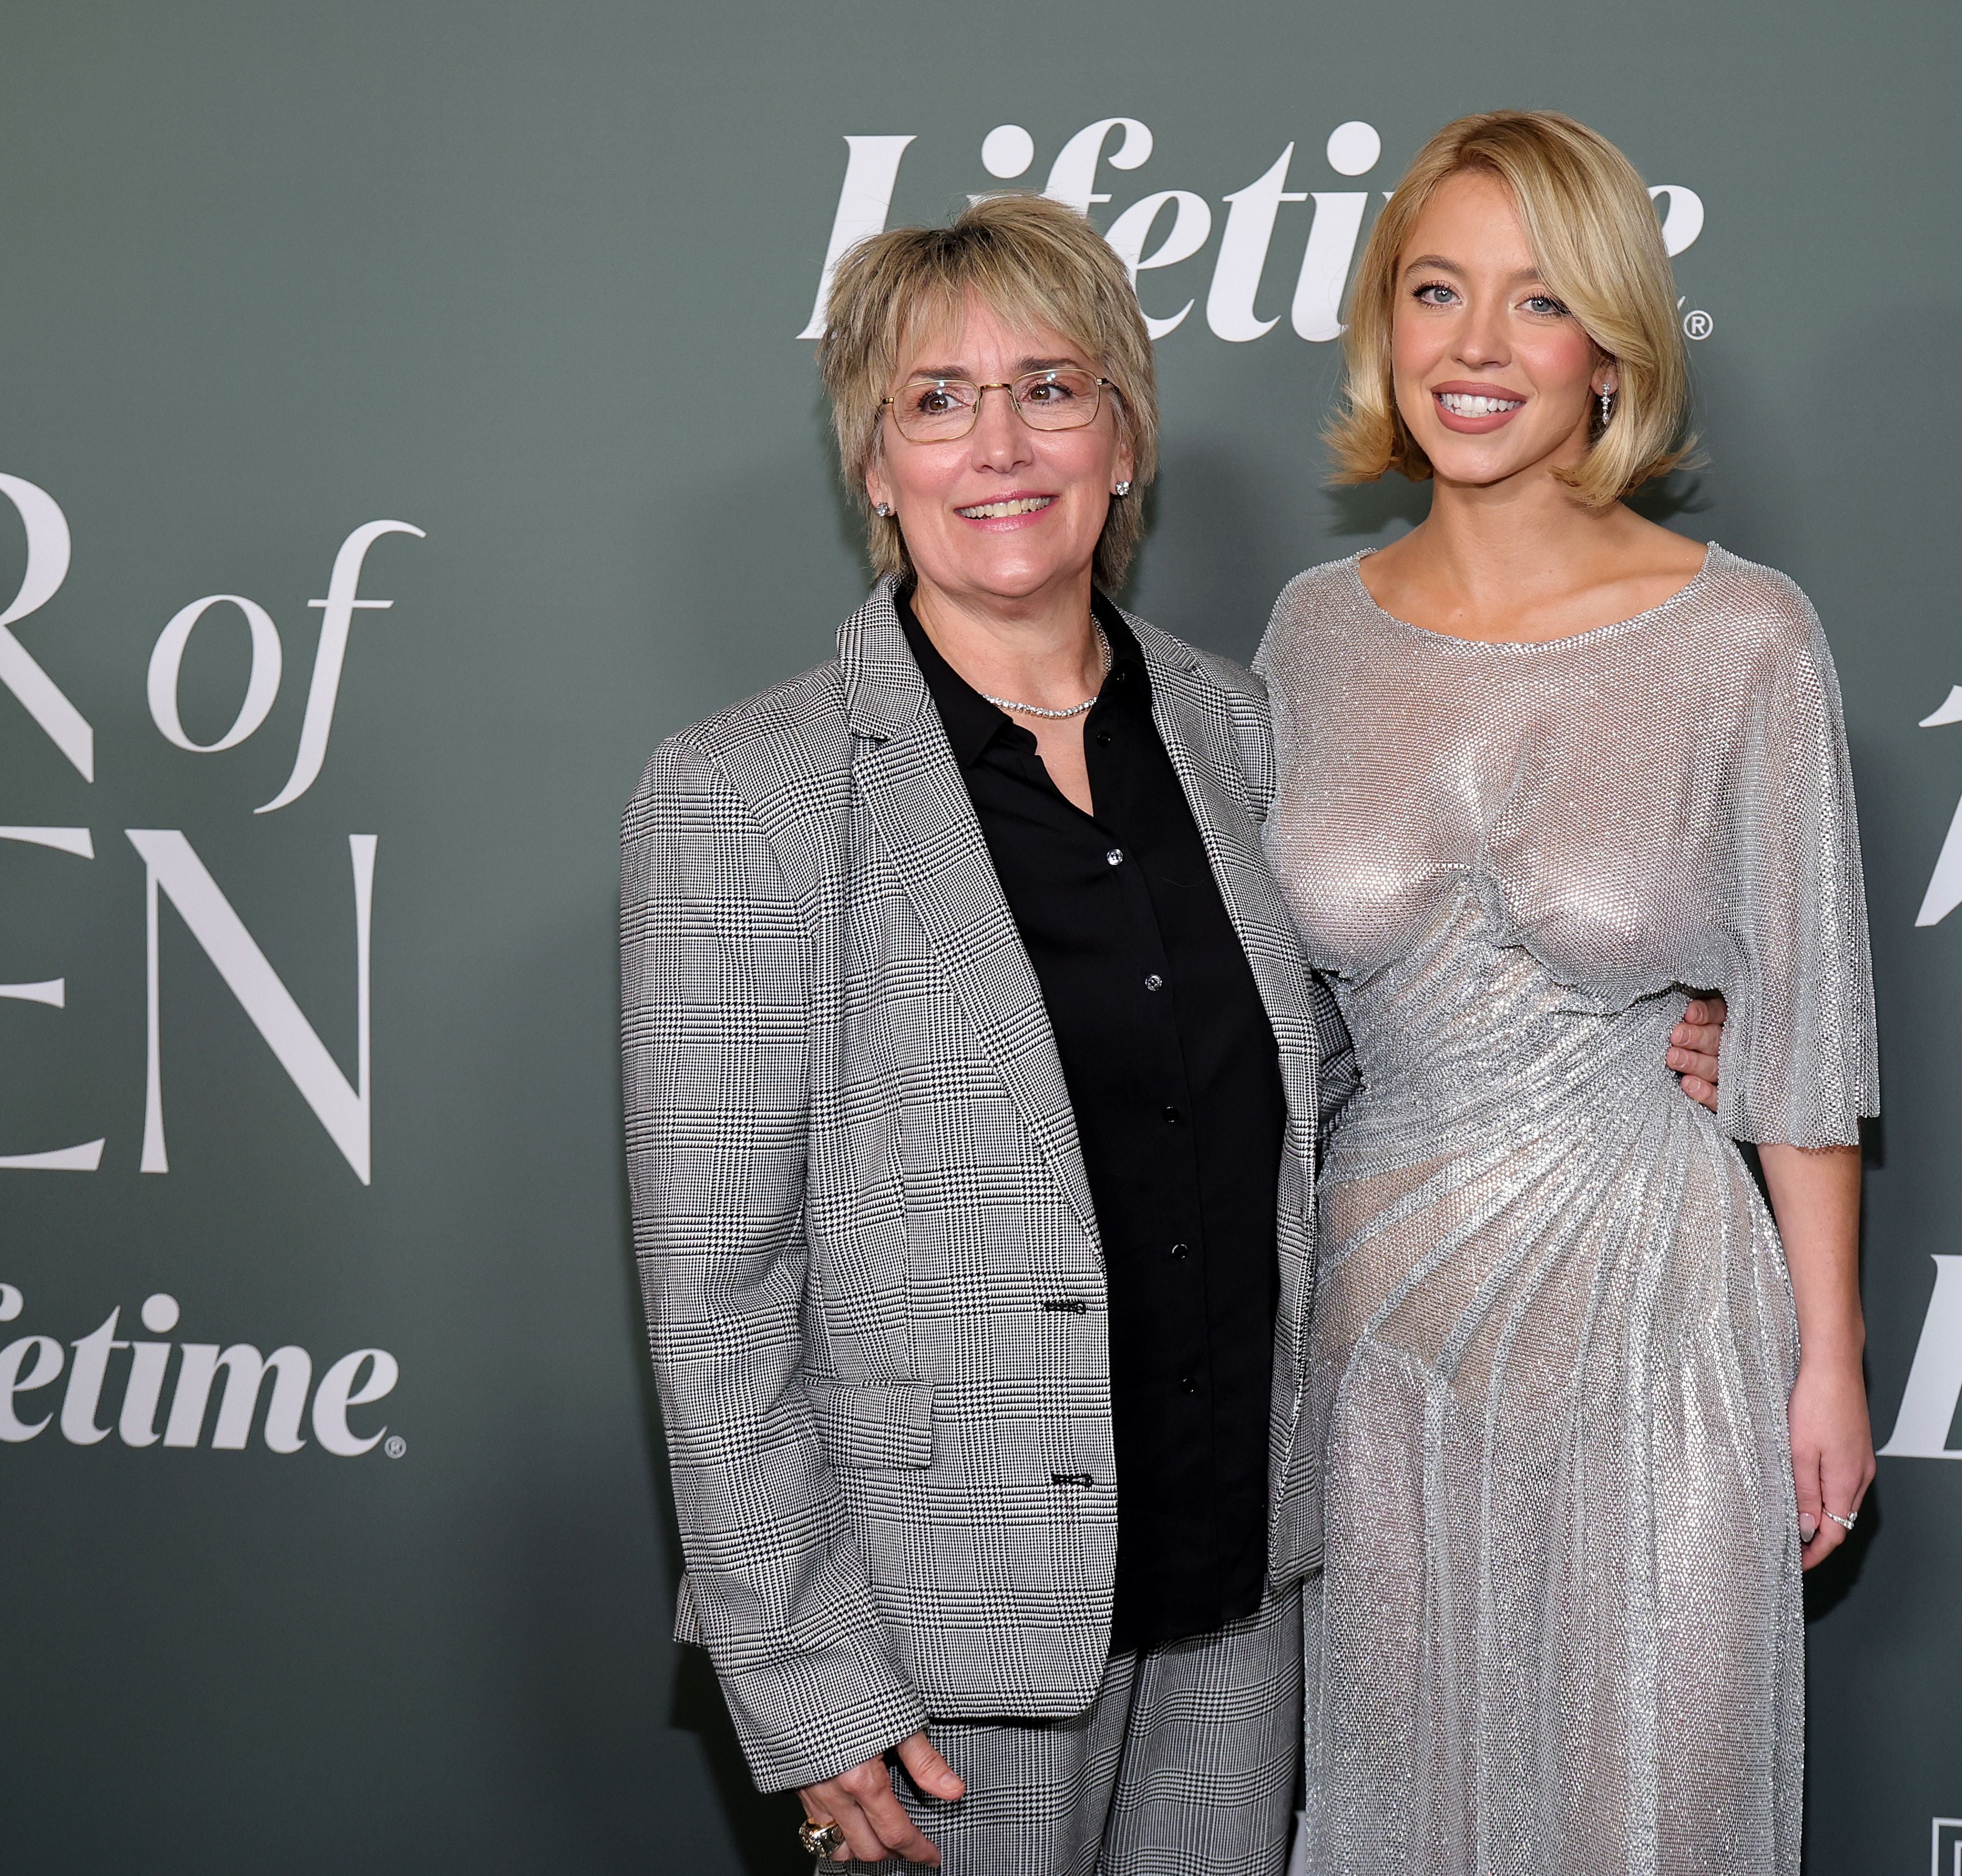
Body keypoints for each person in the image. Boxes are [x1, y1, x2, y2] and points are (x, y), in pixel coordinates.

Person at [621, 191, 1735, 1874]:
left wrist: (1646, 1031)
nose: (1001, 446)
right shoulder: (747, 794)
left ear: (1123, 438)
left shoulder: (1238, 731)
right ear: (873, 464)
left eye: (1051, 390)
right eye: (938, 401)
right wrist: (807, 1671)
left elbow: (1365, 1067)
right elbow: (715, 1289)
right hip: (943, 1646)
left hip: (1242, 1605)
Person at [1256, 113, 1879, 1876]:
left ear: (1611, 352)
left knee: (1651, 1805)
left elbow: (1803, 1022)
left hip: (1656, 1311)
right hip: (1380, 1324)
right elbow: (1271, 1016)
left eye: (1536, 301)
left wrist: (1828, 1357)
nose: (1474, 346)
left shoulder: (1744, 635)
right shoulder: (1310, 632)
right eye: (1434, 290)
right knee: (1399, 1805)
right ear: (1383, 324)